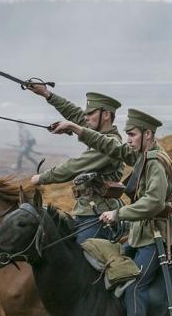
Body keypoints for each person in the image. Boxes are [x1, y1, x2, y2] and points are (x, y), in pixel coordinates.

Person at [50, 109, 172, 316]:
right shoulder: (142, 155)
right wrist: (76, 128)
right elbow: (109, 145)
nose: (127, 139)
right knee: (110, 270)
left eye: (132, 134)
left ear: (148, 135)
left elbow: (153, 202)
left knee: (134, 287)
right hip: (139, 233)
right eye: (128, 134)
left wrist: (118, 213)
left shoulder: (155, 162)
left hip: (156, 237)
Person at [26, 86, 126, 244]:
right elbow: (75, 114)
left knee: (82, 255)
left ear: (106, 115)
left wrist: (42, 178)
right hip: (86, 210)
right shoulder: (99, 136)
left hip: (98, 213)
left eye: (91, 113)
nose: (86, 117)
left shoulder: (110, 144)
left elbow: (75, 166)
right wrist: (47, 94)